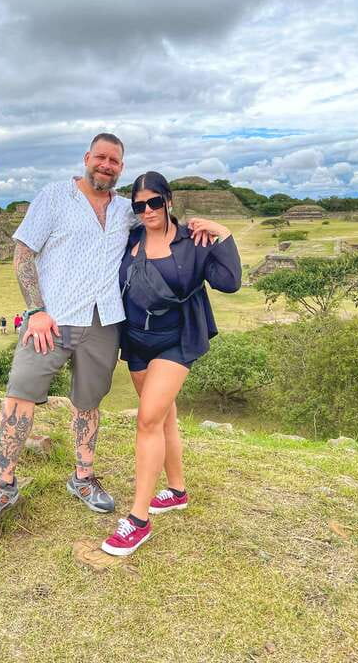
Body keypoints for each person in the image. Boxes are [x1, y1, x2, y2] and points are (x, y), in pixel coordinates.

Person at [0, 135, 211, 527]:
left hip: (104, 320)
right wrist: (36, 310)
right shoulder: (54, 196)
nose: (106, 165)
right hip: (53, 319)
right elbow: (23, 254)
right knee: (20, 394)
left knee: (89, 401)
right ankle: (3, 484)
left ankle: (83, 476)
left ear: (121, 167)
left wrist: (202, 227)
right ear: (87, 158)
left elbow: (161, 221)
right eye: (101, 157)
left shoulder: (126, 210)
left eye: (114, 160)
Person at [101, 172, 241, 556]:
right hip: (136, 341)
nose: (147, 211)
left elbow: (230, 282)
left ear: (168, 200)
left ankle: (138, 520)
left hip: (176, 342)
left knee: (147, 420)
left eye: (154, 202)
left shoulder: (192, 242)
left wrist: (223, 232)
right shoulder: (129, 240)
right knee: (163, 419)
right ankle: (177, 491)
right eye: (139, 205)